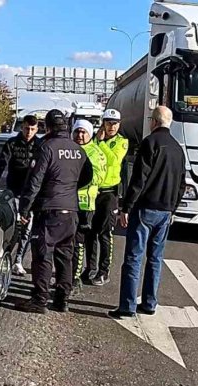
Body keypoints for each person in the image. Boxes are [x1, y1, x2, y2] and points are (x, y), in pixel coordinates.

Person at [110, 107, 185, 319]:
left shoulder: (150, 143)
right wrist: (173, 209)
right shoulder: (177, 149)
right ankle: (150, 302)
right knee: (155, 259)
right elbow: (181, 184)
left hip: (145, 209)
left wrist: (126, 207)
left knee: (134, 257)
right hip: (165, 212)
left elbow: (139, 179)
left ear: (154, 121)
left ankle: (127, 305)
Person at [17, 109, 93, 314]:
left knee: (43, 255)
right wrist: (69, 188)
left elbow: (34, 182)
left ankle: (40, 300)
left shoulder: (46, 147)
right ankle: (62, 300)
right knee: (65, 256)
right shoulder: (78, 149)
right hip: (71, 210)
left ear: (47, 127)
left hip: (49, 209)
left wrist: (24, 209)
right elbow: (87, 176)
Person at [84, 108, 129, 287]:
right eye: (108, 123)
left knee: (105, 232)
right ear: (103, 123)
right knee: (90, 232)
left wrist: (101, 144)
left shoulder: (122, 142)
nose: (111, 127)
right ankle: (90, 268)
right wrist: (96, 141)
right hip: (93, 190)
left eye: (115, 123)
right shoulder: (95, 139)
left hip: (110, 193)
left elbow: (113, 160)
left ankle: (104, 271)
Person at [0, 114, 41, 276]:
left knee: (27, 229)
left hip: (32, 194)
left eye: (33, 129)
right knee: (14, 226)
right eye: (27, 128)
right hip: (13, 191)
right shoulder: (12, 143)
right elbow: (1, 165)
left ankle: (18, 260)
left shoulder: (40, 145)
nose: (29, 132)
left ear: (37, 129)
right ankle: (5, 257)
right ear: (22, 127)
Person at [70, 119, 107, 294]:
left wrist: (75, 181)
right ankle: (68, 276)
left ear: (90, 133)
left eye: (83, 132)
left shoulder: (95, 152)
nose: (80, 135)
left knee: (79, 243)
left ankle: (74, 279)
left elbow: (98, 177)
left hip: (85, 205)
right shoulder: (70, 149)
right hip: (68, 203)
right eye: (77, 132)